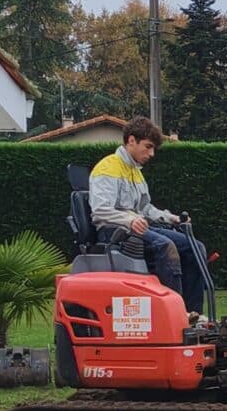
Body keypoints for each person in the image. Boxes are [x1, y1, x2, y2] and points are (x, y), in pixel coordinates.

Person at [87, 117, 209, 317]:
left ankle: (194, 313)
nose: (151, 154)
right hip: (114, 232)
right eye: (148, 147)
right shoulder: (107, 168)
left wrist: (171, 218)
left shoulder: (135, 172)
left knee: (195, 247)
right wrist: (129, 220)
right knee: (166, 246)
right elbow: (100, 210)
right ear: (131, 140)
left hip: (138, 228)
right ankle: (175, 314)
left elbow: (145, 209)